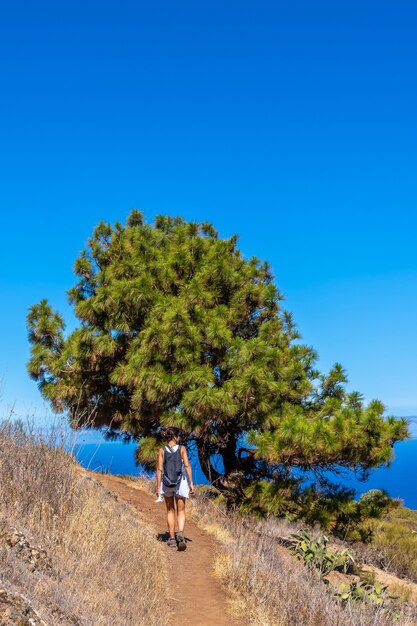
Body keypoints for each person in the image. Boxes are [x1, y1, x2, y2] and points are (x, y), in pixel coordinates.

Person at [156, 428, 195, 550]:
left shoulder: (162, 450)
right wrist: (191, 483)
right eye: (179, 436)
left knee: (170, 510)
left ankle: (172, 539)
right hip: (180, 483)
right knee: (181, 510)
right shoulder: (182, 449)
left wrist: (158, 487)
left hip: (167, 483)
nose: (180, 438)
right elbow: (187, 466)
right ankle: (181, 533)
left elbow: (159, 469)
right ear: (174, 437)